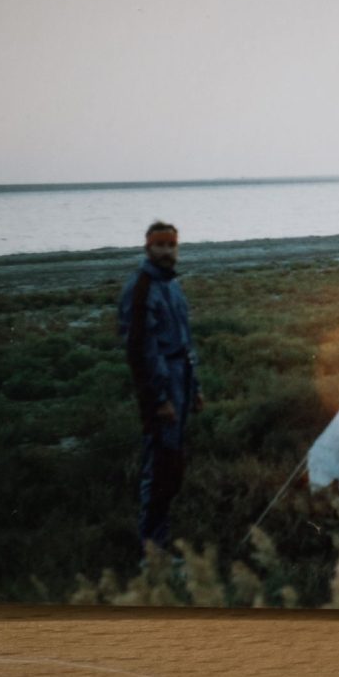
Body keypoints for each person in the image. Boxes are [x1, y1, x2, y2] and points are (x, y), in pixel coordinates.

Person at [118, 220, 203, 557]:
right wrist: (159, 399)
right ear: (148, 248)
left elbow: (185, 341)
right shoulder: (141, 289)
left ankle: (160, 543)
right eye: (161, 245)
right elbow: (140, 351)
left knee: (172, 468)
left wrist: (195, 388)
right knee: (159, 469)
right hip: (161, 391)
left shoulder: (172, 286)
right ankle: (152, 553)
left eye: (172, 245)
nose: (167, 251)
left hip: (181, 384)